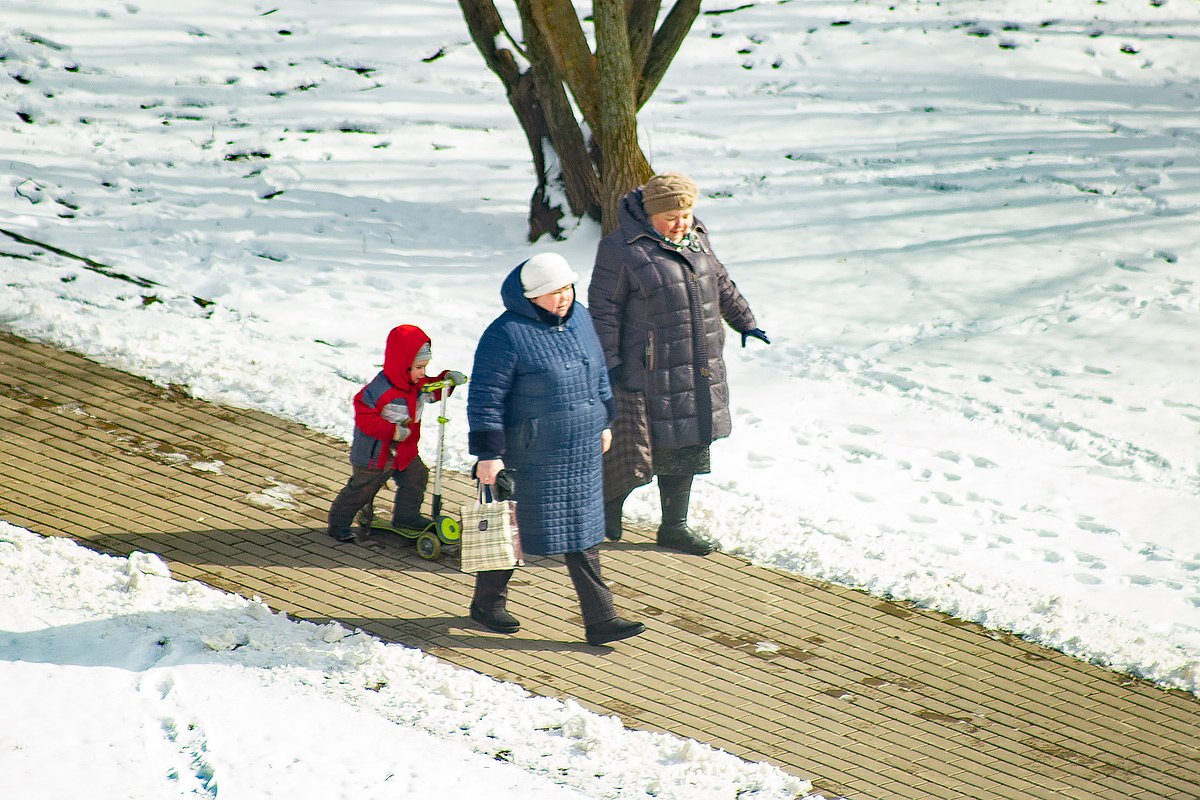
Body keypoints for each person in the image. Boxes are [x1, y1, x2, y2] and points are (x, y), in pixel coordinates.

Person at [467, 253, 646, 647]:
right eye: (552, 292)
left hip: (580, 447)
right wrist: (489, 454)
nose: (562, 298)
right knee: (512, 529)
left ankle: (601, 618)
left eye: (566, 288)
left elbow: (597, 369)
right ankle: (487, 603)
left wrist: (604, 419)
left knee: (581, 531)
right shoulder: (506, 333)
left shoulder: (579, 317)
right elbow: (486, 398)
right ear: (531, 297)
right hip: (532, 454)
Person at [589, 172, 769, 556]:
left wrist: (745, 321)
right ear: (651, 215)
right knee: (635, 450)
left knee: (686, 445)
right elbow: (603, 310)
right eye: (671, 216)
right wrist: (611, 362)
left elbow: (720, 284)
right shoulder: (622, 248)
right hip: (646, 369)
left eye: (685, 214)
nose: (681, 223)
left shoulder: (697, 239)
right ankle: (607, 507)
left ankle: (674, 527)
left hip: (696, 365)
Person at [326, 324, 466, 543]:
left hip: (404, 452)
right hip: (375, 455)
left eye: (425, 367)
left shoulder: (417, 383)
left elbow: (432, 391)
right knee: (362, 490)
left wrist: (447, 380)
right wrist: (392, 431)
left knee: (417, 477)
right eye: (419, 367)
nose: (422, 373)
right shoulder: (382, 390)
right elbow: (364, 415)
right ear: (403, 365)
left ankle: (406, 518)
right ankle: (338, 525)